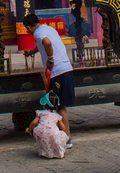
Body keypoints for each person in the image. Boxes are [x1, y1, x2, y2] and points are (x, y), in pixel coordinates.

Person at [23, 14, 75, 147]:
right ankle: (63, 136)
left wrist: (50, 59)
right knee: (60, 105)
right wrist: (30, 52)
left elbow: (47, 43)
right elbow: (42, 45)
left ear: (29, 28)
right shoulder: (49, 29)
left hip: (57, 72)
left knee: (57, 105)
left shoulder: (38, 33)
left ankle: (66, 138)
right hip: (66, 68)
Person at [25, 90, 70, 159]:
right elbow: (63, 128)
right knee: (58, 135)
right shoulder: (57, 116)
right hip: (52, 133)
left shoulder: (40, 113)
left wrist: (29, 130)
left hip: (40, 133)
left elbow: (34, 123)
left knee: (44, 137)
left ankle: (44, 152)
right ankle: (57, 152)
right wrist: (65, 136)